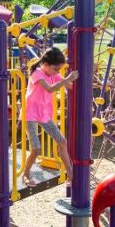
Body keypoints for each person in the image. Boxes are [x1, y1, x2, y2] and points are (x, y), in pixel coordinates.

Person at [21, 47, 77, 187]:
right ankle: (26, 174)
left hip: (43, 114)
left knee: (62, 141)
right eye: (56, 69)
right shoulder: (37, 73)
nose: (58, 72)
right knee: (36, 149)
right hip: (30, 114)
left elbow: (70, 86)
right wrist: (68, 78)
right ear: (45, 64)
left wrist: (85, 82)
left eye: (59, 70)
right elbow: (50, 88)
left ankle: (71, 175)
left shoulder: (53, 74)